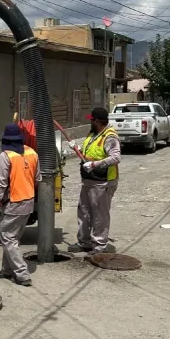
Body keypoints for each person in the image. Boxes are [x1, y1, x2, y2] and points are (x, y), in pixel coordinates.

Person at [0, 123, 39, 286]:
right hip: (29, 201)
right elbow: (37, 178)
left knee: (8, 237)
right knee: (12, 238)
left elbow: (1, 183)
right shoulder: (32, 152)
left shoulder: (6, 156)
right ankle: (6, 270)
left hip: (13, 202)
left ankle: (22, 274)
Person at [72, 106, 121, 253]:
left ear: (98, 121)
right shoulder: (93, 134)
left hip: (103, 181)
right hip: (88, 180)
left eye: (92, 120)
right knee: (84, 212)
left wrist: (94, 164)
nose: (90, 122)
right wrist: (77, 148)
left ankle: (100, 246)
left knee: (100, 215)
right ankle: (84, 242)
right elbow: (90, 151)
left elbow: (116, 157)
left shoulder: (109, 136)